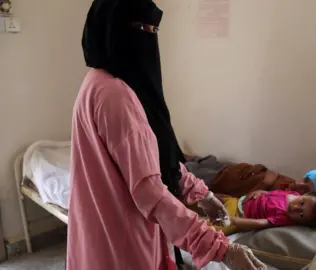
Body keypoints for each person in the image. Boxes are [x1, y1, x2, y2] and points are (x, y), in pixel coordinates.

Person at [67, 0, 266, 269]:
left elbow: (155, 157)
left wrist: (202, 195)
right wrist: (219, 247)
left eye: (154, 30)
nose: (150, 38)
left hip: (99, 238)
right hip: (122, 245)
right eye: (142, 28)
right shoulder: (116, 96)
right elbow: (150, 190)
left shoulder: (96, 82)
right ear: (113, 31)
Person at [210, 189, 316, 235]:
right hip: (237, 200)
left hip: (236, 215)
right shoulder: (293, 193)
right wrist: (262, 191)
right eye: (302, 202)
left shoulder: (286, 218)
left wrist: (234, 221)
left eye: (301, 214)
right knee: (203, 196)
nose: (296, 208)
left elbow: (261, 223)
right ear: (306, 194)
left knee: (207, 229)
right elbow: (273, 194)